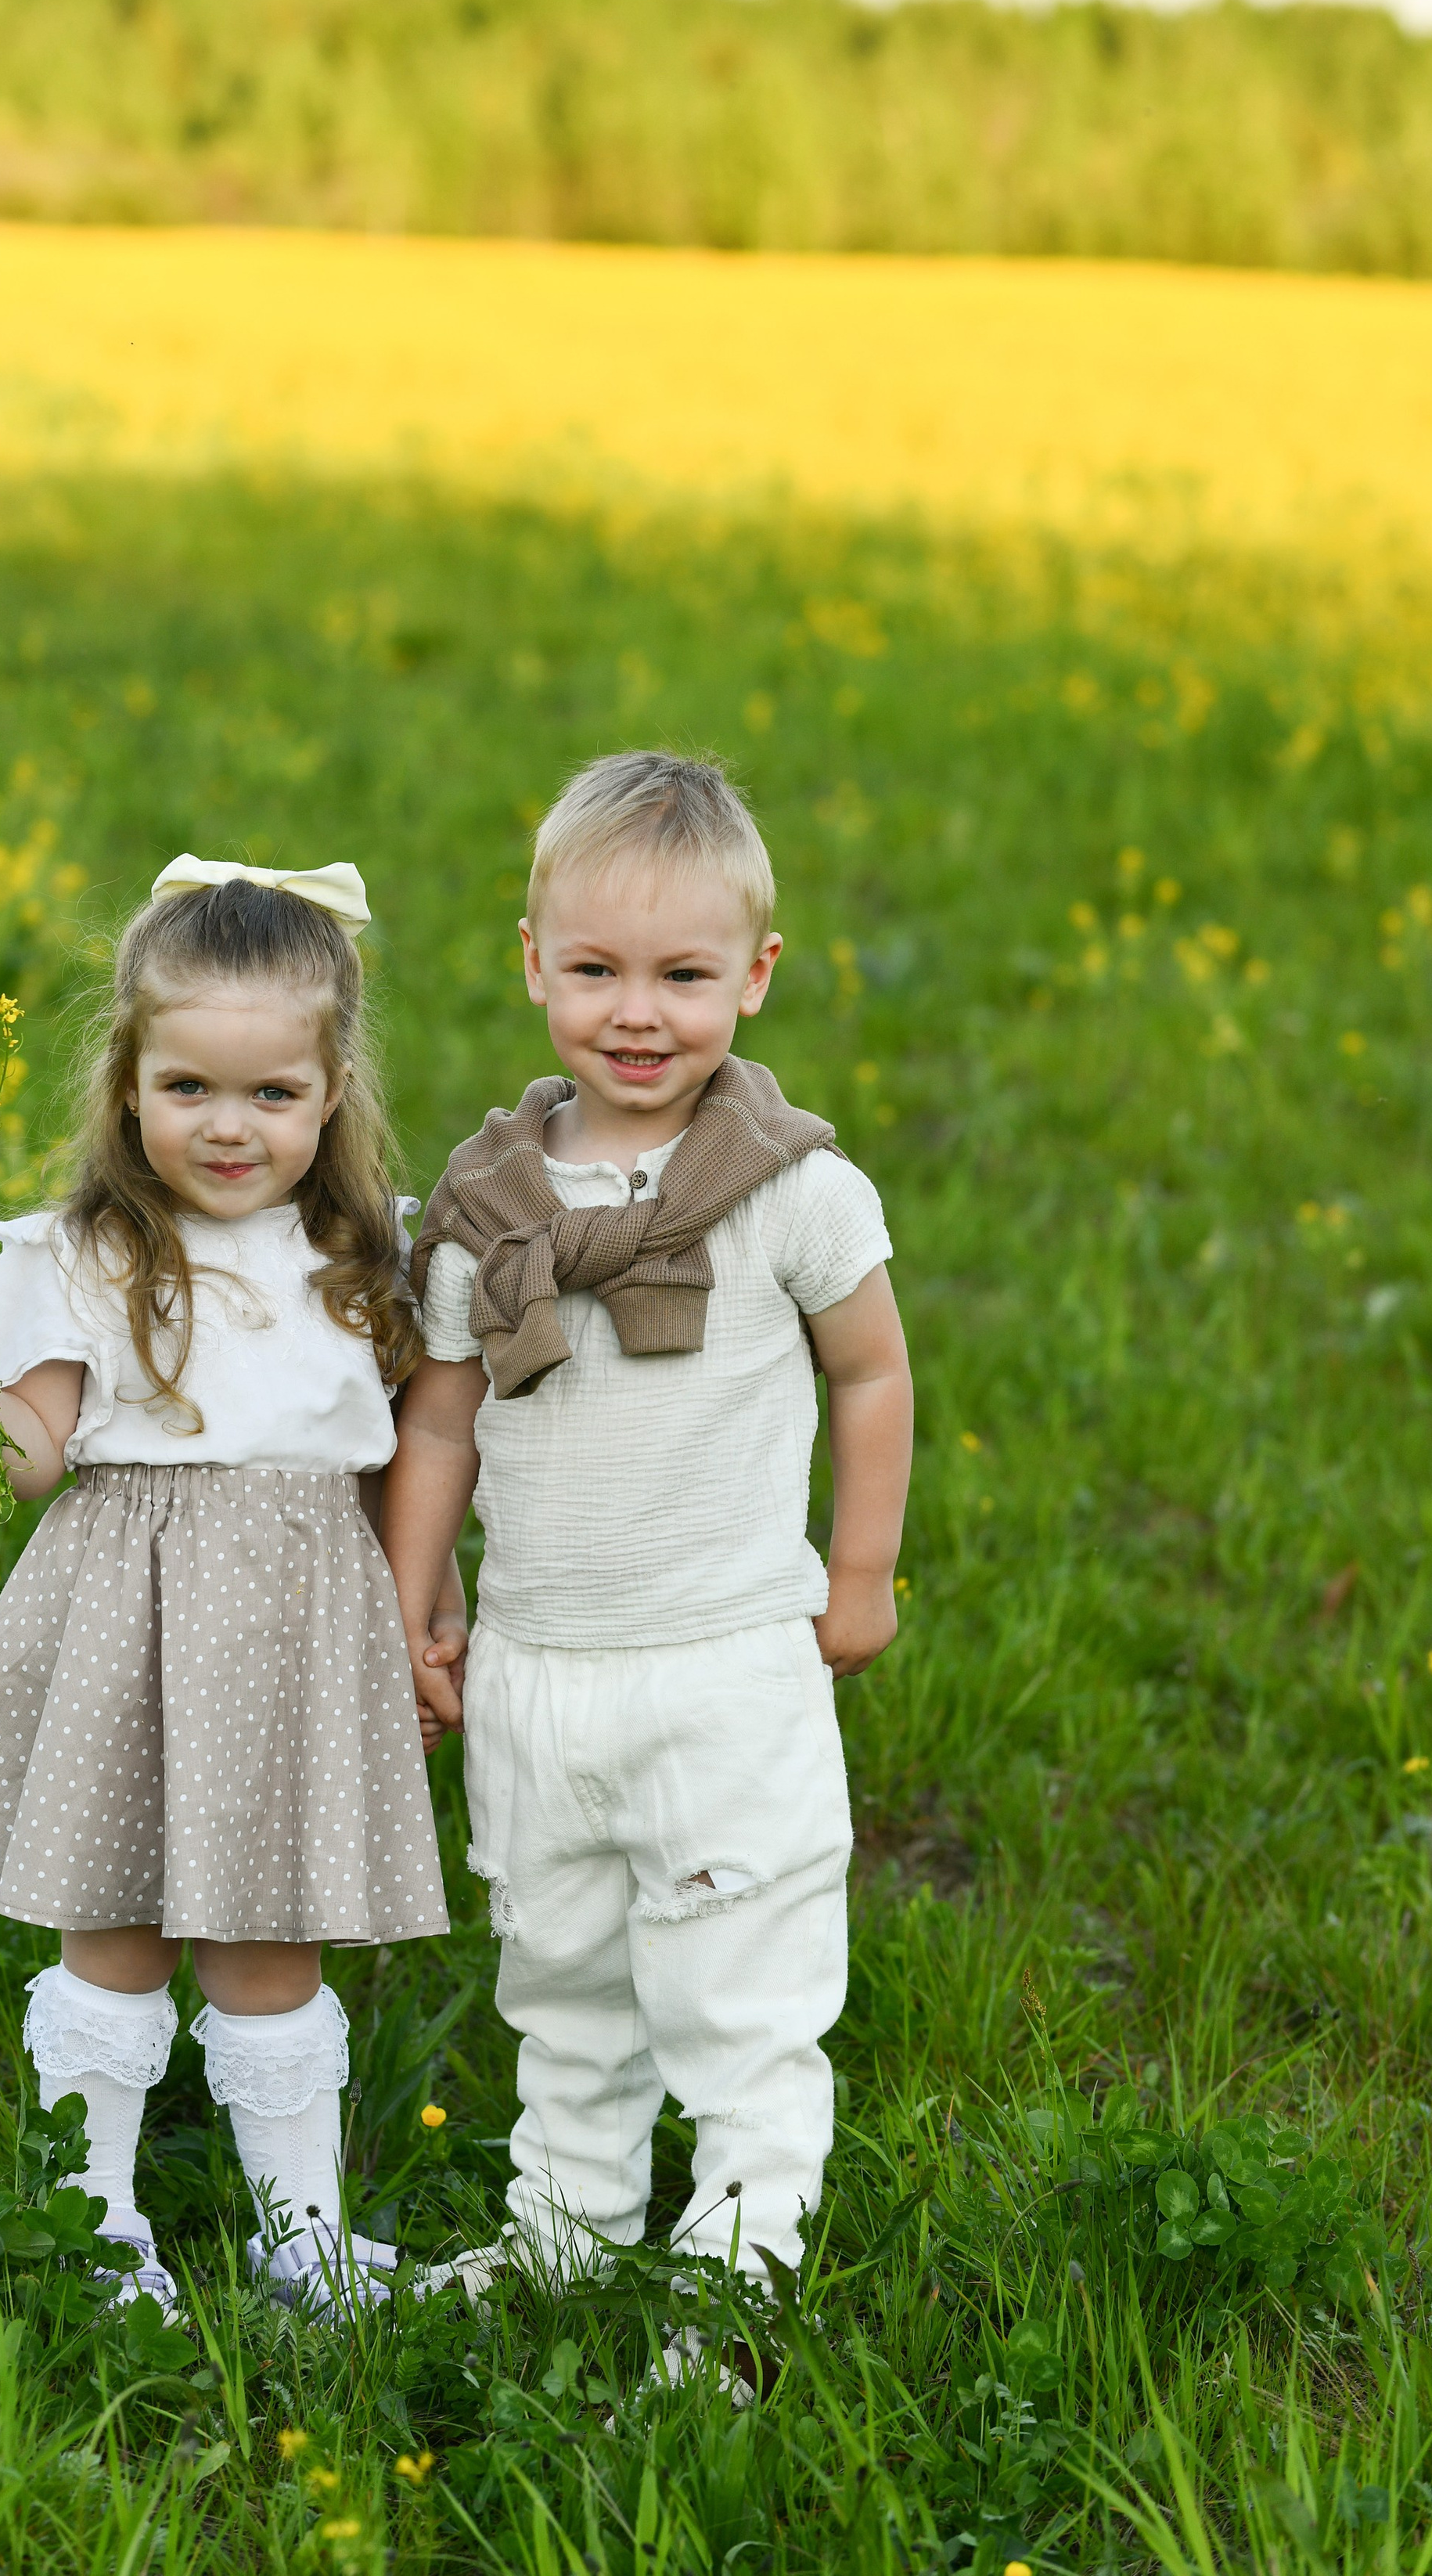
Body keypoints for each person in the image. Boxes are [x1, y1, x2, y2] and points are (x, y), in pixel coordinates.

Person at [0, 855, 452, 2315]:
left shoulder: (364, 1256)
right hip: (124, 1622)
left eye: (273, 1094)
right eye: (189, 1085)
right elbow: (27, 1462)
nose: (230, 1125)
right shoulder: (78, 1253)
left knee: (274, 1941)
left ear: (332, 1093)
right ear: (129, 1079)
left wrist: (422, 1615)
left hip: (303, 1628)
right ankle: (93, 2223)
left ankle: (300, 2238)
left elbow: (405, 1461)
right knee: (114, 1923)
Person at [383, 752, 913, 2297]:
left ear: (752, 978)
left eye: (681, 975)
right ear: (530, 963)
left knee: (737, 1984)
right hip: (540, 1668)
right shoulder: (484, 1206)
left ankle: (738, 2255)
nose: (636, 1011)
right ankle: (565, 2230)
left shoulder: (791, 1193)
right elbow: (438, 1418)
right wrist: (411, 1607)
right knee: (561, 1976)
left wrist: (860, 1572)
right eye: (596, 969)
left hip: (725, 1664)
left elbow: (870, 1370)